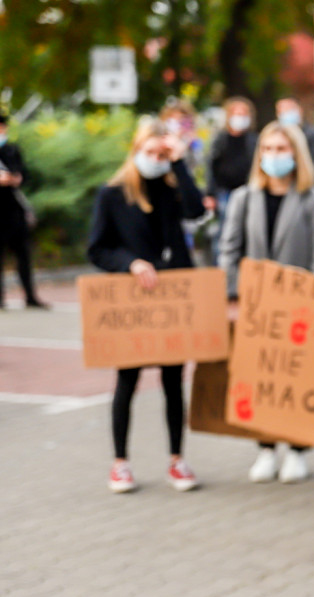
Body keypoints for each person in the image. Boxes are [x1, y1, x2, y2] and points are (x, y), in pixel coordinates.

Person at [87, 118, 203, 493]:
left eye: (162, 154)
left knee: (173, 380)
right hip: (135, 299)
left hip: (173, 296)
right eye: (150, 153)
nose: (156, 160)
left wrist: (181, 162)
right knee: (127, 379)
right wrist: (130, 263)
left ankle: (176, 458)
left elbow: (197, 209)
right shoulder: (113, 193)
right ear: (136, 152)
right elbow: (97, 248)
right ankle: (120, 461)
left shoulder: (171, 190)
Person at [219, 121, 314, 484]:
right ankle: (265, 448)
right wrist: (234, 293)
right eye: (267, 149)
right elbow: (229, 250)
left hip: (298, 308)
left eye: (281, 149)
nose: (273, 156)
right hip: (256, 307)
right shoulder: (243, 198)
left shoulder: (312, 199)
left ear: (296, 155)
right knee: (258, 377)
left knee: (296, 379)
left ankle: (297, 450)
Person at [0, 113, 46, 309]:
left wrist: (16, 178)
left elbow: (24, 173)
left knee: (23, 255)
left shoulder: (11, 150)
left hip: (14, 210)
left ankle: (30, 296)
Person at [205, 97, 257, 263]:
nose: (240, 117)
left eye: (244, 113)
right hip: (225, 192)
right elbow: (210, 167)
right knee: (224, 231)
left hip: (248, 191)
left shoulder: (253, 140)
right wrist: (210, 193)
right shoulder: (220, 139)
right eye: (236, 113)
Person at [276, 98, 314, 175]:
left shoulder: (310, 134)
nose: (286, 112)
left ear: (300, 110)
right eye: (282, 110)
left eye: (289, 109)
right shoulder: (275, 135)